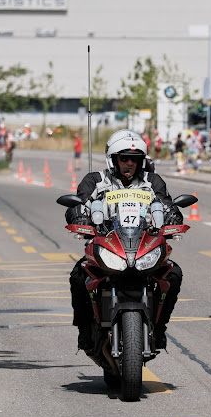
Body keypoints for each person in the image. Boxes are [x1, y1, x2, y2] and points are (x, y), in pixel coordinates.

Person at [65, 129, 184, 351]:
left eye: (135, 159)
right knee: (79, 275)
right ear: (113, 159)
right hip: (108, 245)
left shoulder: (152, 181)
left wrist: (173, 217)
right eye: (124, 158)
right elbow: (79, 203)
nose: (129, 163)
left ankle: (159, 328)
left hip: (143, 246)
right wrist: (79, 216)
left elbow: (167, 205)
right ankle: (84, 330)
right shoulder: (96, 181)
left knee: (173, 274)